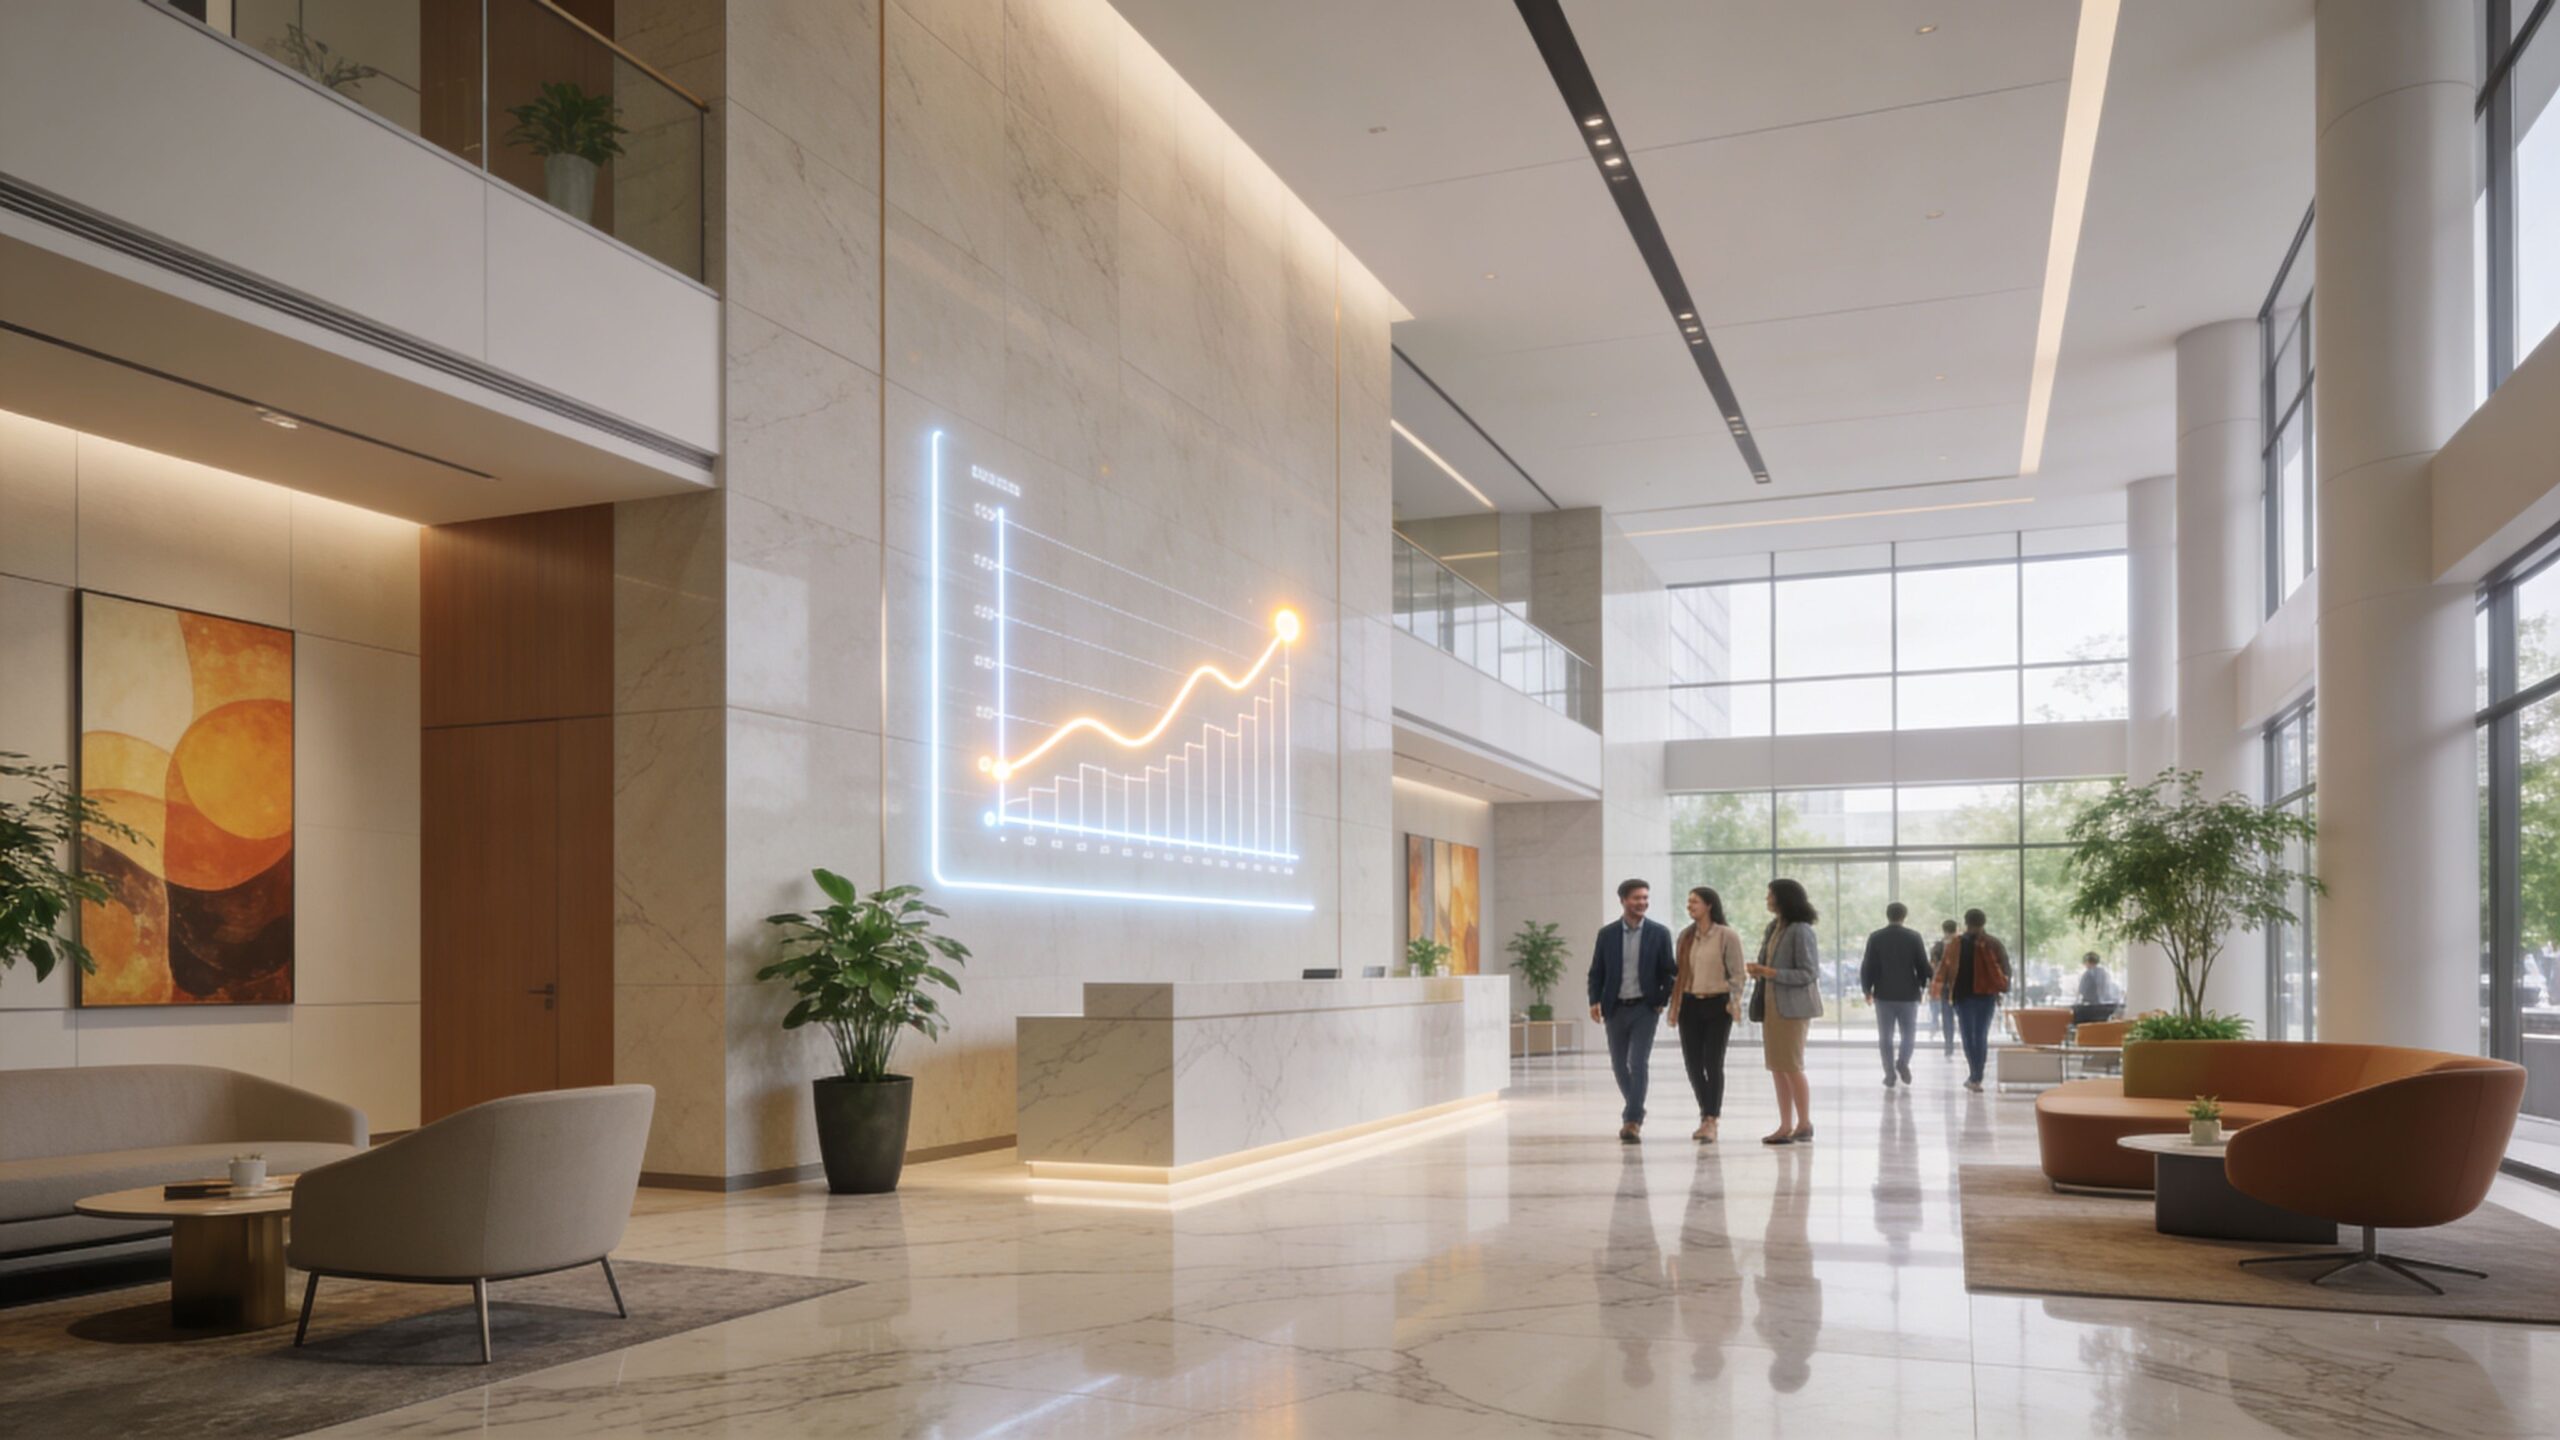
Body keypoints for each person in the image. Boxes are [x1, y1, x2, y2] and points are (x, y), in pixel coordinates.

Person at [1588, 877, 1676, 1143]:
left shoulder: (1659, 933)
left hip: (1645, 1008)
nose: (1642, 903)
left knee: (1637, 1062)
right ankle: (1636, 1105)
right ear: (1623, 900)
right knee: (1618, 1064)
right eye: (1637, 898)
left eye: (1645, 898)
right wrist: (1594, 1000)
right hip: (1615, 1008)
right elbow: (1597, 972)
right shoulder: (1607, 934)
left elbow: (1669, 972)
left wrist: (1662, 999)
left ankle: (1632, 1120)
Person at [1745, 878, 1823, 1144]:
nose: (1767, 899)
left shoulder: (1801, 930)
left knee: (1791, 1065)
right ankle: (1785, 1124)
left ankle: (1803, 1123)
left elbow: (1809, 973)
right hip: (1772, 1006)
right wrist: (1759, 970)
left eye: (1770, 895)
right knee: (1777, 1067)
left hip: (1792, 1009)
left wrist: (1770, 972)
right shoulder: (1774, 927)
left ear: (1783, 898)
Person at [1669, 886, 1748, 1143]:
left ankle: (1711, 1119)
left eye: (1695, 902)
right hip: (1690, 1004)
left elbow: (1737, 973)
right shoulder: (1686, 936)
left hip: (1718, 1005)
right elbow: (1679, 974)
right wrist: (1675, 1004)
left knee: (1712, 1063)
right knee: (1693, 1064)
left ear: (1709, 905)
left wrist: (1734, 1001)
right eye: (1688, 901)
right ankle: (1706, 1114)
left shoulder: (1727, 936)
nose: (1690, 906)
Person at [1929, 908, 2011, 1091]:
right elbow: (2005, 967)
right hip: (1987, 996)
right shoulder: (1993, 943)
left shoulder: (1956, 943)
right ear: (1984, 922)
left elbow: (1943, 967)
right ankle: (1976, 1077)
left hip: (1962, 997)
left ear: (1966, 923)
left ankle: (1975, 1075)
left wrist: (1936, 989)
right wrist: (2003, 987)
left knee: (1968, 1036)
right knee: (1980, 1035)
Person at [1858, 902, 1933, 1089]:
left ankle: (1889, 1073)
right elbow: (1922, 964)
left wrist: (1867, 989)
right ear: (1904, 916)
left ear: (1887, 915)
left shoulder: (1876, 937)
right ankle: (1903, 1062)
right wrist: (1924, 984)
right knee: (1909, 1034)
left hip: (1883, 994)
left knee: (1885, 1036)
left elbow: (1868, 965)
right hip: (1908, 994)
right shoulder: (1914, 937)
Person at [1928, 919, 1959, 1056]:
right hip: (1961, 985)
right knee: (1964, 1016)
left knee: (1947, 1017)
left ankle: (1949, 1047)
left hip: (1945, 987)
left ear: (1943, 929)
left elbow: (1933, 966)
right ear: (1956, 929)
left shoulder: (1938, 947)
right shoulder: (1961, 945)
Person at [2073, 951, 2123, 1024]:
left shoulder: (2087, 974)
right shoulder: (2104, 973)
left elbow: (2082, 991)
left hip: (2090, 1009)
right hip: (2103, 1009)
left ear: (2087, 962)